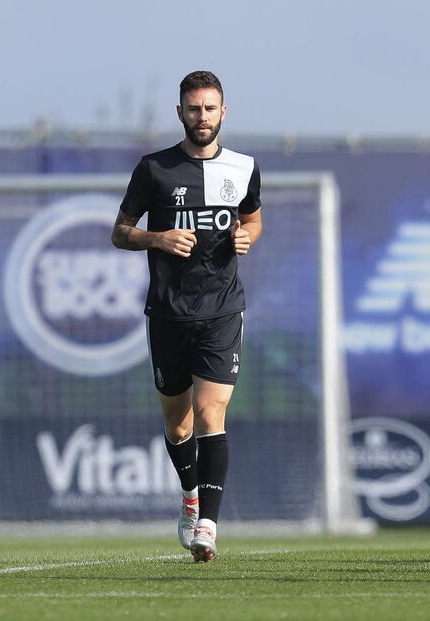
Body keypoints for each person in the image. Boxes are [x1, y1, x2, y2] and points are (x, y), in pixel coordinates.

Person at [111, 70, 262, 562]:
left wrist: (247, 237)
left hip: (222, 310)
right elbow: (120, 231)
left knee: (211, 413)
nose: (202, 117)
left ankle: (209, 527)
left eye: (210, 108)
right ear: (180, 113)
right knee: (178, 427)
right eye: (193, 108)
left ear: (224, 112)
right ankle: (190, 496)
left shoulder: (243, 167)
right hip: (169, 313)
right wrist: (157, 238)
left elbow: (253, 218)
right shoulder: (154, 169)